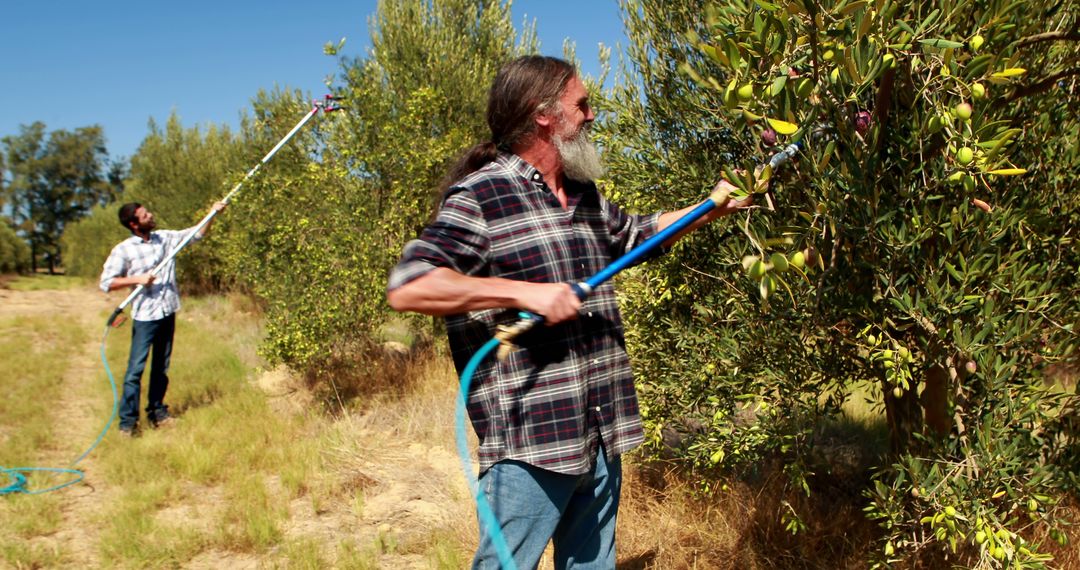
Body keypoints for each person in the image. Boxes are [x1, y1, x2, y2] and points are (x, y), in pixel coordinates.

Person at [386, 55, 749, 569]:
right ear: (543, 115)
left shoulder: (584, 195)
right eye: (582, 104)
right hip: (530, 445)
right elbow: (410, 286)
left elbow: (640, 236)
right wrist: (524, 293)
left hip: (601, 429)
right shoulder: (481, 197)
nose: (591, 115)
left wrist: (712, 205)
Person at [100, 201, 226, 436]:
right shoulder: (124, 250)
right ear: (134, 224)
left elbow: (196, 234)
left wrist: (212, 214)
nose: (151, 214)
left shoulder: (164, 238)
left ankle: (158, 413)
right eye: (145, 214)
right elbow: (106, 283)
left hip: (168, 311)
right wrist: (137, 279)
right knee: (135, 371)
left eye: (149, 211)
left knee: (161, 367)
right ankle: (127, 424)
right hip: (145, 317)